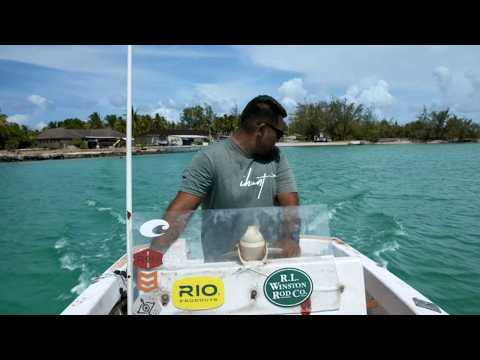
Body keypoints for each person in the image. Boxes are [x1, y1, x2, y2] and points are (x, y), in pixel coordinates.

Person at [150, 95, 300, 261]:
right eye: (278, 134)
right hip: (224, 261)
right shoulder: (209, 159)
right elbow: (181, 211)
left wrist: (290, 238)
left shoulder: (276, 157)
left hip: (269, 256)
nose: (278, 140)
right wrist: (154, 255)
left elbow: (290, 203)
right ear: (261, 130)